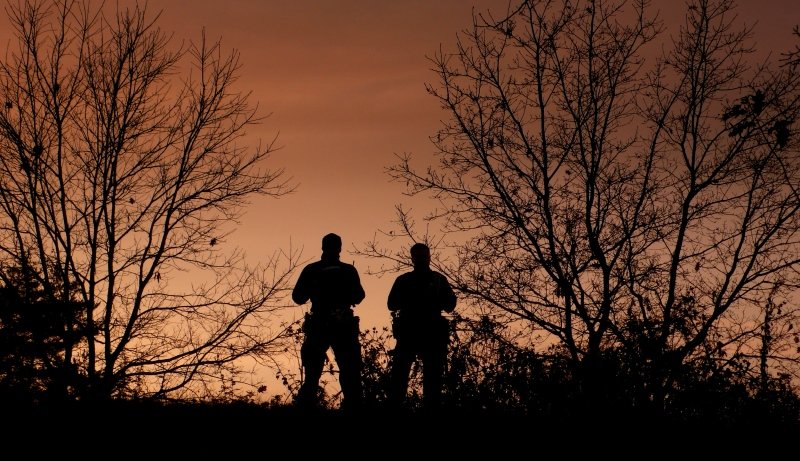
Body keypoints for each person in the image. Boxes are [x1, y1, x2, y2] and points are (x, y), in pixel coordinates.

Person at [292, 233, 366, 411]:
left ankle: (310, 407)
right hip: (327, 324)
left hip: (333, 325)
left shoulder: (314, 269)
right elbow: (298, 297)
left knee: (343, 372)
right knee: (339, 372)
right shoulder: (344, 270)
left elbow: (298, 297)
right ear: (339, 247)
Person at [387, 242, 457, 410]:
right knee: (399, 379)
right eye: (418, 256)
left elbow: (450, 304)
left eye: (424, 256)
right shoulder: (403, 280)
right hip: (409, 334)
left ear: (429, 257)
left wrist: (432, 300)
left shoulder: (439, 280)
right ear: (412, 258)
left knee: (433, 382)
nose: (421, 260)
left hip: (431, 334)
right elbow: (391, 304)